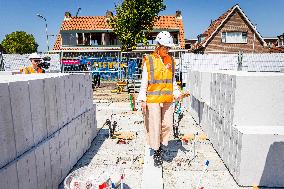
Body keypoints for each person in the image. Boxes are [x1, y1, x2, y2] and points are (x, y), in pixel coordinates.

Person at [137, 31, 187, 167]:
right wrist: (142, 99)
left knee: (167, 125)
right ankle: (157, 150)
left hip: (167, 99)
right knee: (154, 126)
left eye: (169, 48)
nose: (167, 50)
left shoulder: (171, 60)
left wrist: (177, 92)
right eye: (165, 47)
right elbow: (144, 82)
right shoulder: (149, 60)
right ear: (158, 46)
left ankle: (162, 143)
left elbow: (172, 80)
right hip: (152, 99)